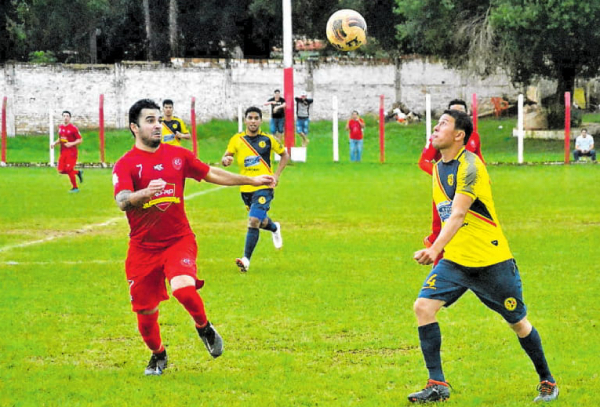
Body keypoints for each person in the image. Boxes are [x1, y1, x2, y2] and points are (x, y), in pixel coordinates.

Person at [112, 99, 275, 376]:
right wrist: (145, 194)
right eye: (149, 121)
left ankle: (204, 327)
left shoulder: (177, 155)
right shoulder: (125, 164)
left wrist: (251, 180)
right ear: (134, 127)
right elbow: (123, 200)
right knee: (146, 313)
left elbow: (210, 173)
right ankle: (158, 354)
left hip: (178, 240)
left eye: (158, 120)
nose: (157, 125)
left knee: (184, 288)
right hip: (142, 248)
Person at [409, 109, 558, 403]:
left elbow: (460, 212)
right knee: (423, 307)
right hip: (456, 261)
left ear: (459, 134)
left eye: (443, 124)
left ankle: (548, 381)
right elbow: (442, 214)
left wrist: (434, 249)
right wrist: (435, 241)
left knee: (518, 322)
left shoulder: (472, 166)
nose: (435, 128)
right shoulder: (438, 169)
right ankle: (437, 384)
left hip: (492, 263)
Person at [221, 106, 289, 273]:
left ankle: (246, 260)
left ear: (260, 120)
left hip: (264, 186)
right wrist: (226, 160)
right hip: (245, 187)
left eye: (255, 118)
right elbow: (226, 156)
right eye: (249, 118)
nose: (252, 121)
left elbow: (285, 154)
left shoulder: (268, 139)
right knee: (259, 221)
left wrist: (277, 175)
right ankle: (274, 228)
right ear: (245, 120)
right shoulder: (237, 139)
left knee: (253, 221)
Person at [419, 99, 484, 265]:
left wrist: (485, 179)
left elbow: (479, 159)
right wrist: (441, 177)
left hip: (468, 190)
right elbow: (424, 161)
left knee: (472, 228)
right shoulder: (440, 138)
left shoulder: (474, 137)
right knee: (441, 226)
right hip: (446, 191)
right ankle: (437, 261)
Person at [51, 110, 83, 193]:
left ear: (70, 118)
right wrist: (55, 143)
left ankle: (75, 188)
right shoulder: (61, 127)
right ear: (62, 117)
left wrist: (71, 144)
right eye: (64, 116)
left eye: (67, 116)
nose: (65, 118)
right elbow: (61, 138)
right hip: (63, 152)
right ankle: (77, 172)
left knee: (69, 169)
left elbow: (80, 140)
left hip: (72, 153)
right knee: (60, 170)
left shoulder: (73, 128)